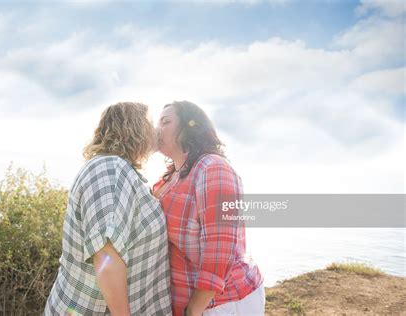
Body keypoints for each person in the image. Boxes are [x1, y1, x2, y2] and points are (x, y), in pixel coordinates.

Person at [45, 102, 172, 315]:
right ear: (135, 128)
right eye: (151, 123)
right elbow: (106, 254)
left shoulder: (118, 170)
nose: (156, 130)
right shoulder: (110, 169)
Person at [153, 101, 265, 316]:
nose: (157, 129)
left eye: (166, 122)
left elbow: (221, 247)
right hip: (190, 301)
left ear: (189, 127)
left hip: (221, 303)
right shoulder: (171, 177)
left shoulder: (212, 167)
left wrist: (194, 309)